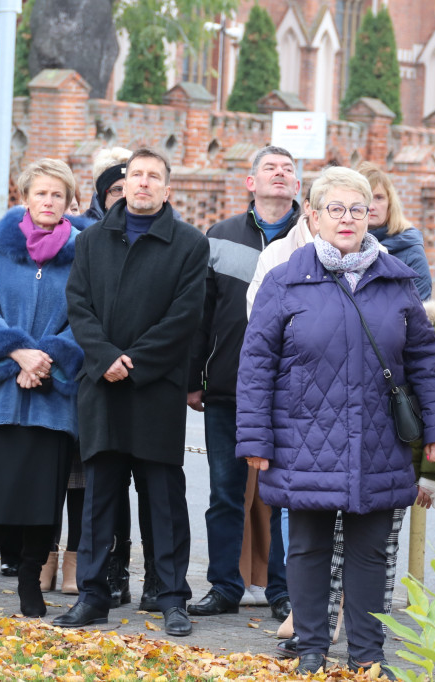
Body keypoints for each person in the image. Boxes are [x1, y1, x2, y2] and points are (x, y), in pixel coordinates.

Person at [238, 166, 435, 677]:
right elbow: (255, 367)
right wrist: (255, 438)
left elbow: (425, 362)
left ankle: (367, 654)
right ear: (312, 214)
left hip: (377, 441)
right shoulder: (285, 278)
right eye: (334, 208)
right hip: (302, 438)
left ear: (370, 216)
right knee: (309, 549)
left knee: (370, 556)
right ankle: (312, 647)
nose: (346, 218)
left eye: (356, 209)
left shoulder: (396, 280)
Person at [56, 148, 208, 637]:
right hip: (102, 388)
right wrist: (105, 359)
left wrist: (135, 363)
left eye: (153, 177)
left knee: (162, 499)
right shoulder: (92, 240)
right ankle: (93, 596)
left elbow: (184, 318)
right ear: (123, 183)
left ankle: (171, 598)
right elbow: (78, 306)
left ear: (167, 188)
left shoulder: (189, 244)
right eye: (135, 175)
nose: (142, 184)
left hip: (155, 390)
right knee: (100, 498)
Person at [0, 158, 86, 617]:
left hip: (54, 394)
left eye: (57, 195)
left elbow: (86, 317)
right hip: (7, 393)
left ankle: (31, 582)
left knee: (45, 499)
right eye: (40, 193)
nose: (48, 201)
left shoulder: (83, 252)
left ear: (69, 202)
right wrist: (18, 355)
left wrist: (44, 359)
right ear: (25, 197)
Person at [186, 145, 297, 623]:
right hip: (228, 387)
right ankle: (224, 586)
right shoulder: (221, 235)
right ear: (250, 182)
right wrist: (194, 379)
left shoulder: (311, 237)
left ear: (297, 186)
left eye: (288, 169)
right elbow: (200, 314)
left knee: (284, 495)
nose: (280, 174)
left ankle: (284, 592)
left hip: (292, 391)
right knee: (225, 493)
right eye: (270, 168)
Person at [356, 161, 432, 300]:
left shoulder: (411, 252)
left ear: (390, 203)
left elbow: (420, 311)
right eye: (365, 197)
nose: (371, 206)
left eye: (379, 198)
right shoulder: (338, 246)